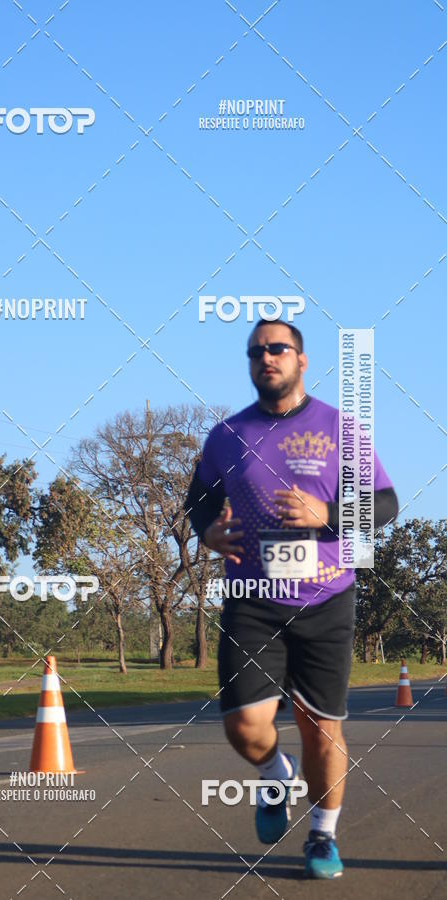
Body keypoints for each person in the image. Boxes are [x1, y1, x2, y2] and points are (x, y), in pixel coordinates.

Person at [184, 319, 398, 879]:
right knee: (243, 727)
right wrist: (206, 531)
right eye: (256, 350)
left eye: (278, 348)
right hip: (252, 600)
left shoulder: (339, 428)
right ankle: (275, 774)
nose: (266, 357)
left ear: (302, 360)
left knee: (320, 729)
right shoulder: (227, 436)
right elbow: (198, 500)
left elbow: (385, 502)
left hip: (327, 599)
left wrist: (327, 515)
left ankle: (322, 837)